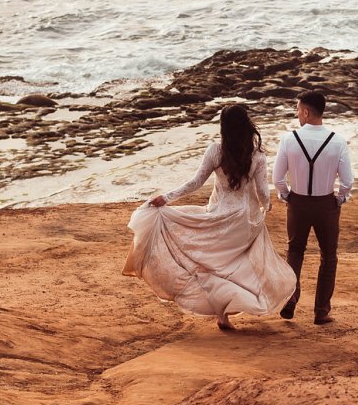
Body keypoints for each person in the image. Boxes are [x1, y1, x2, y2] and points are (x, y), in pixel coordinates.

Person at [124, 104, 295, 332]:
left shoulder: (216, 150)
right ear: (247, 126)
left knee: (214, 266)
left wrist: (167, 197)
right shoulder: (257, 155)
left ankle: (222, 315)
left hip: (219, 216)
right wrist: (267, 206)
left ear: (224, 128)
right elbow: (263, 191)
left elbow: (195, 183)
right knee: (236, 267)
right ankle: (225, 315)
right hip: (245, 221)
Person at [273, 91, 353, 325]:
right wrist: (339, 200)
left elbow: (278, 178)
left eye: (298, 109)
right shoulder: (337, 141)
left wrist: (287, 196)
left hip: (297, 202)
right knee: (328, 257)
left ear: (306, 112)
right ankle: (321, 311)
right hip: (325, 204)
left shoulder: (289, 139)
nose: (298, 114)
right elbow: (347, 182)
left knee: (295, 252)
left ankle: (290, 299)